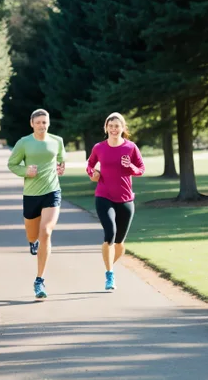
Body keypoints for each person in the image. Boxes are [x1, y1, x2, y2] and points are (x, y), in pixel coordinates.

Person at [8, 109, 66, 300]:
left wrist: (61, 167)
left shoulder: (57, 141)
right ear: (32, 123)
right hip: (31, 195)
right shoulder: (24, 143)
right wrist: (26, 171)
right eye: (39, 122)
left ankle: (39, 280)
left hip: (52, 191)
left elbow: (61, 161)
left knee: (47, 232)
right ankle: (33, 242)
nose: (42, 125)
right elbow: (12, 164)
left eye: (45, 122)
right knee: (32, 234)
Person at [86, 112, 145, 292]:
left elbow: (141, 169)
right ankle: (110, 274)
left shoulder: (131, 147)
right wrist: (93, 174)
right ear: (106, 128)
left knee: (119, 242)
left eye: (117, 126)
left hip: (126, 198)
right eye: (110, 126)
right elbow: (90, 165)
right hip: (104, 195)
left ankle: (109, 262)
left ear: (123, 128)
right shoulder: (99, 147)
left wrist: (131, 167)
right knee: (110, 233)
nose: (113, 129)